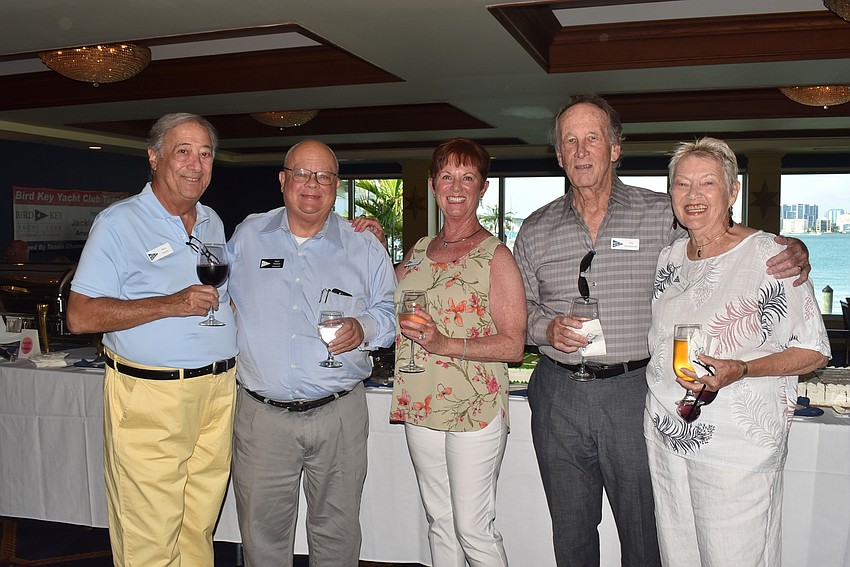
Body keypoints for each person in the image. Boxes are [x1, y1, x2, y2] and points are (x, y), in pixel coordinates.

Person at [512, 94, 811, 567]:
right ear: (559, 155)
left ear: (615, 148)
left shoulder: (661, 213)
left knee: (646, 530)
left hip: (635, 393)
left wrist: (787, 246)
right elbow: (518, 311)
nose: (582, 149)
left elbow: (717, 242)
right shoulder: (535, 227)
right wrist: (545, 326)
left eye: (593, 137)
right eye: (571, 141)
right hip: (558, 396)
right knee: (569, 529)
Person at [645, 137, 830, 565]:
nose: (693, 196)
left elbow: (816, 352)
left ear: (732, 192)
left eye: (708, 183)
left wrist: (742, 368)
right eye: (682, 184)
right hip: (667, 438)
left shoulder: (772, 256)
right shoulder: (669, 258)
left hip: (737, 450)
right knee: (679, 558)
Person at [66, 113, 237, 567]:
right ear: (154, 157)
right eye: (183, 151)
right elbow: (80, 315)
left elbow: (227, 298)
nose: (196, 165)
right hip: (151, 394)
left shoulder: (212, 222)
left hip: (218, 392)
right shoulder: (119, 223)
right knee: (150, 534)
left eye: (205, 154)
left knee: (198, 526)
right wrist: (170, 304)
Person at [226, 139, 396, 567]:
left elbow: (391, 317)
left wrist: (364, 328)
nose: (312, 184)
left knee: (337, 533)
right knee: (261, 536)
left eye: (323, 176)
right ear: (283, 180)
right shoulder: (248, 236)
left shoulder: (364, 246)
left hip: (339, 413)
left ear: (336, 186)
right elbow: (217, 299)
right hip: (261, 417)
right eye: (302, 173)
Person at [389, 138, 527, 567]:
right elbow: (377, 290)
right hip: (421, 402)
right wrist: (369, 241)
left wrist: (444, 343)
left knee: (472, 527)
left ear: (482, 188)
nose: (456, 186)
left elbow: (514, 344)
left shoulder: (496, 257)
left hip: (475, 408)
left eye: (467, 177)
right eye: (447, 176)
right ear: (432, 184)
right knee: (440, 521)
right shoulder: (416, 253)